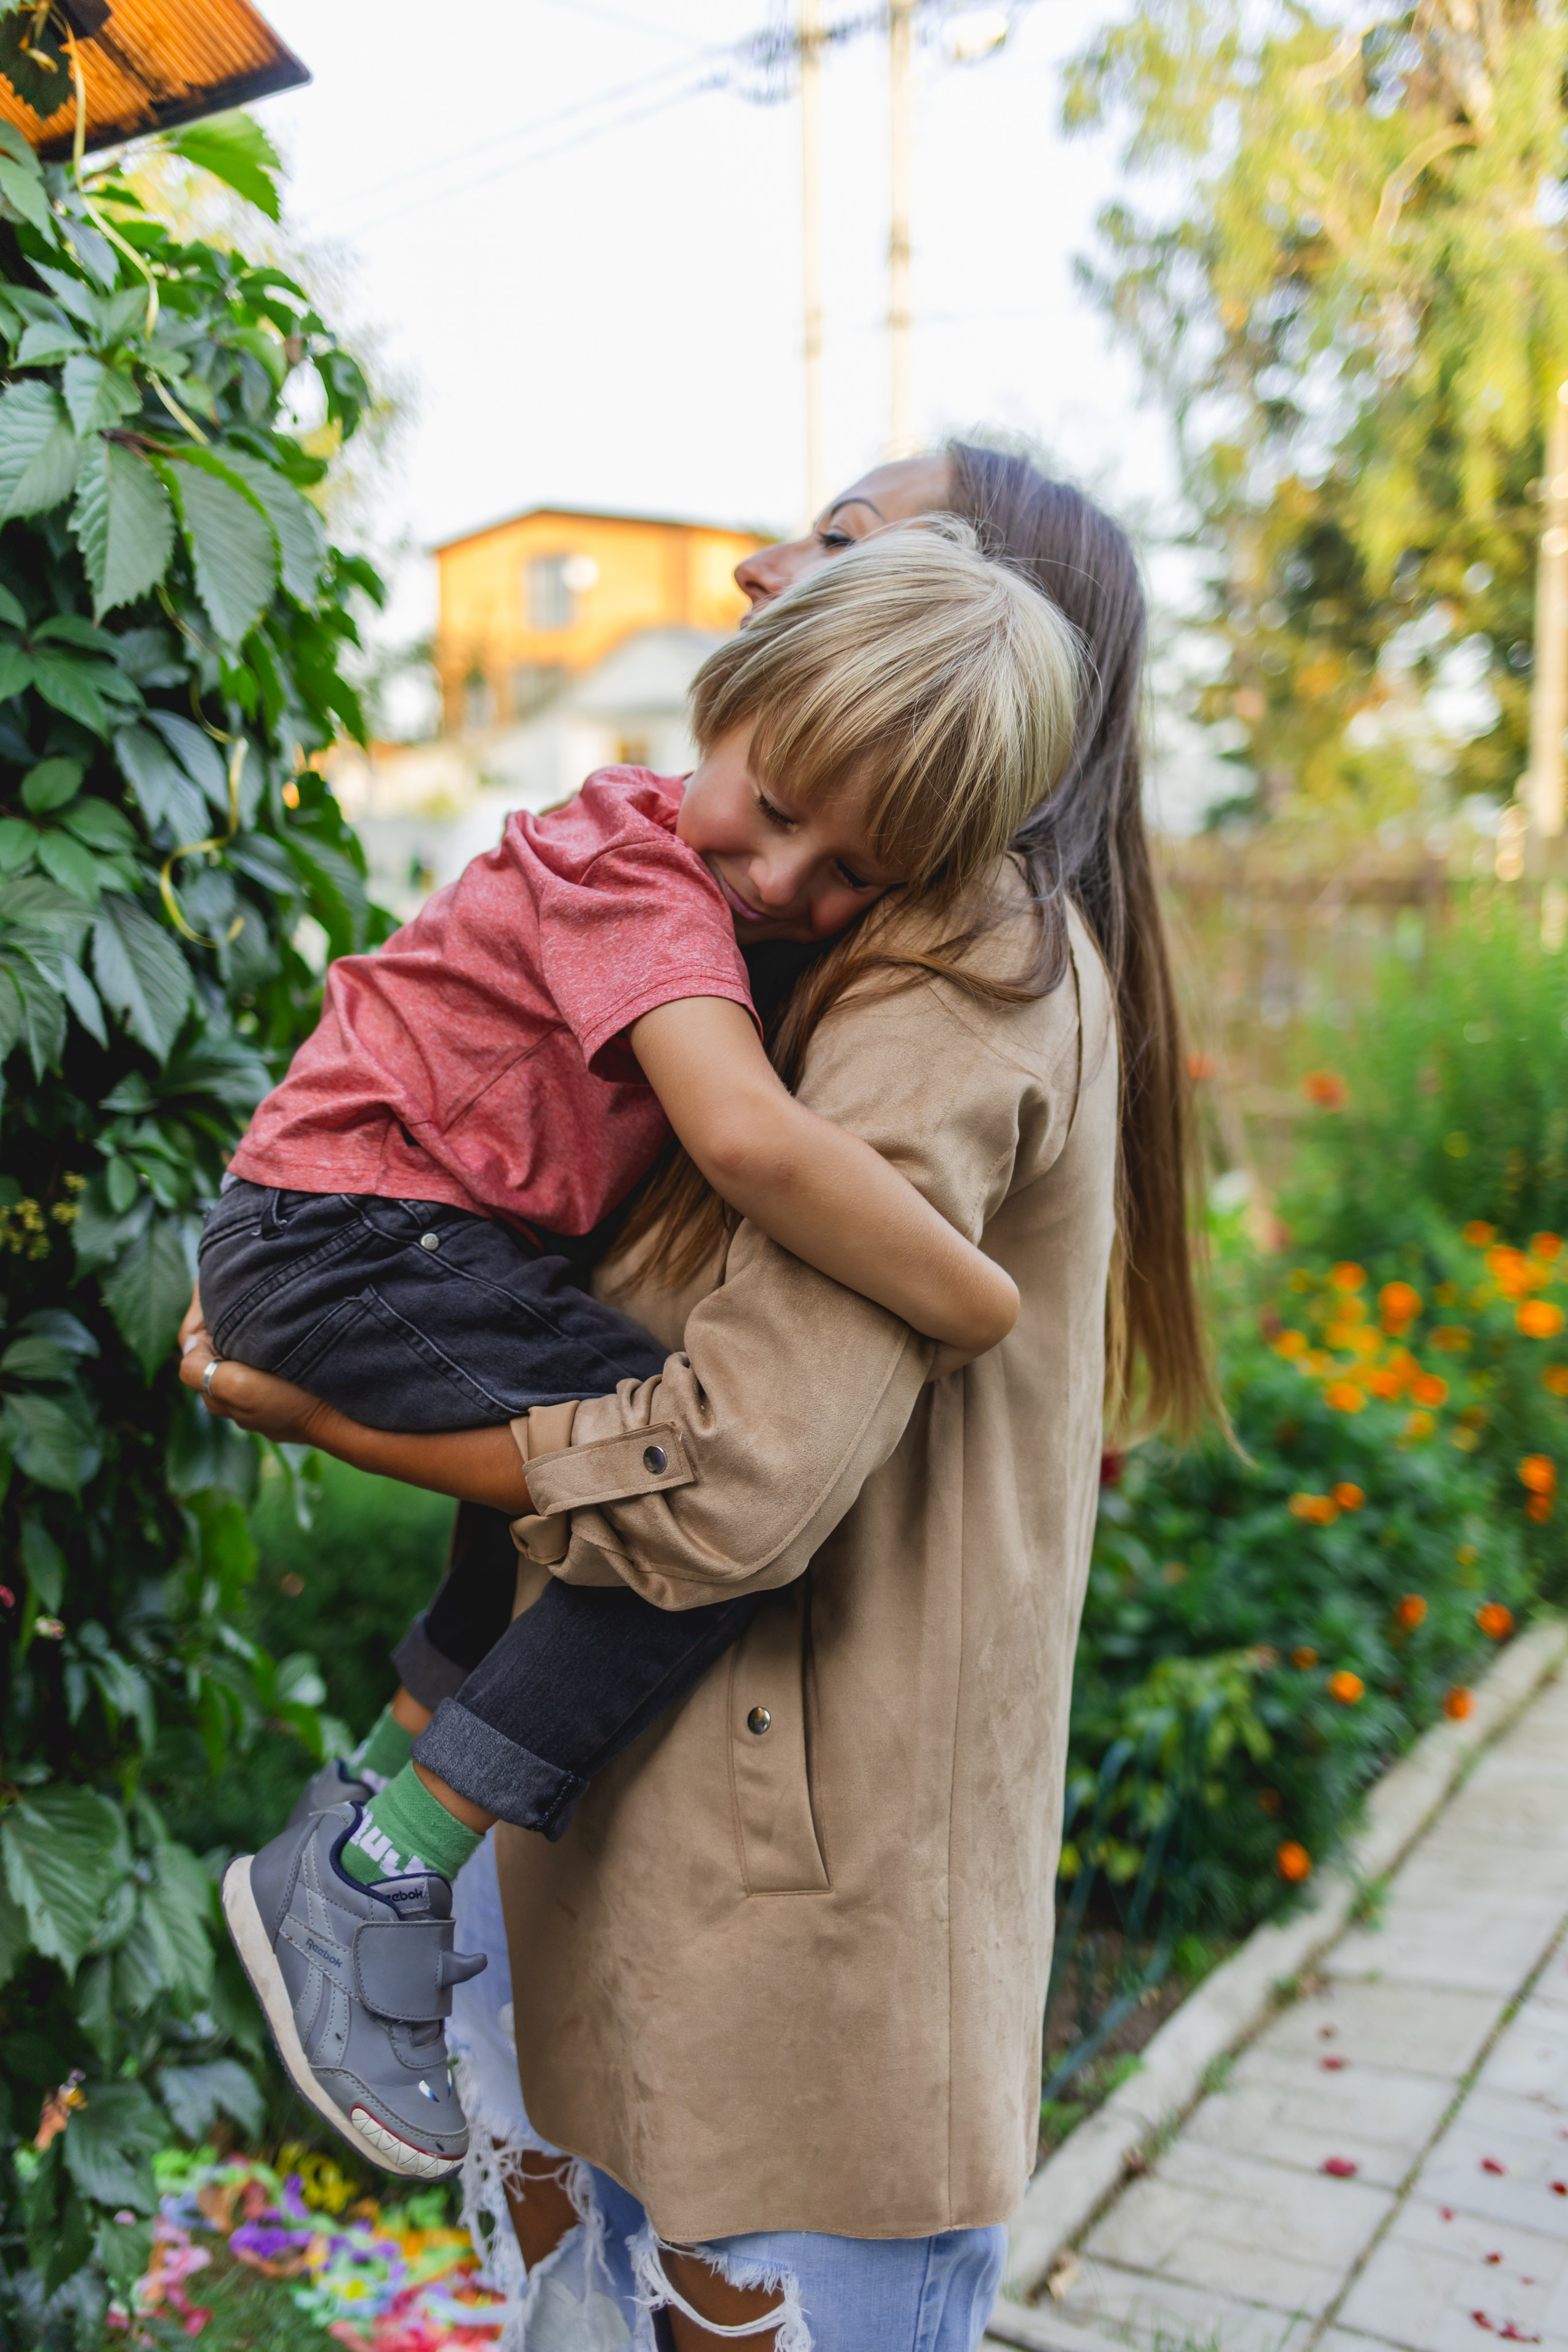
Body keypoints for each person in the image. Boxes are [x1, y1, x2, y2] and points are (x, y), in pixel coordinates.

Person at [184, 441, 1207, 2351]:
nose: (752, 570)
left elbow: (727, 1482)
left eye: (830, 552)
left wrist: (329, 1412)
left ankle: (365, 1847)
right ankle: (364, 1848)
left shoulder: (943, 966)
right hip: (654, 1872)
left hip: (765, 1935)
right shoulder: (742, 898)